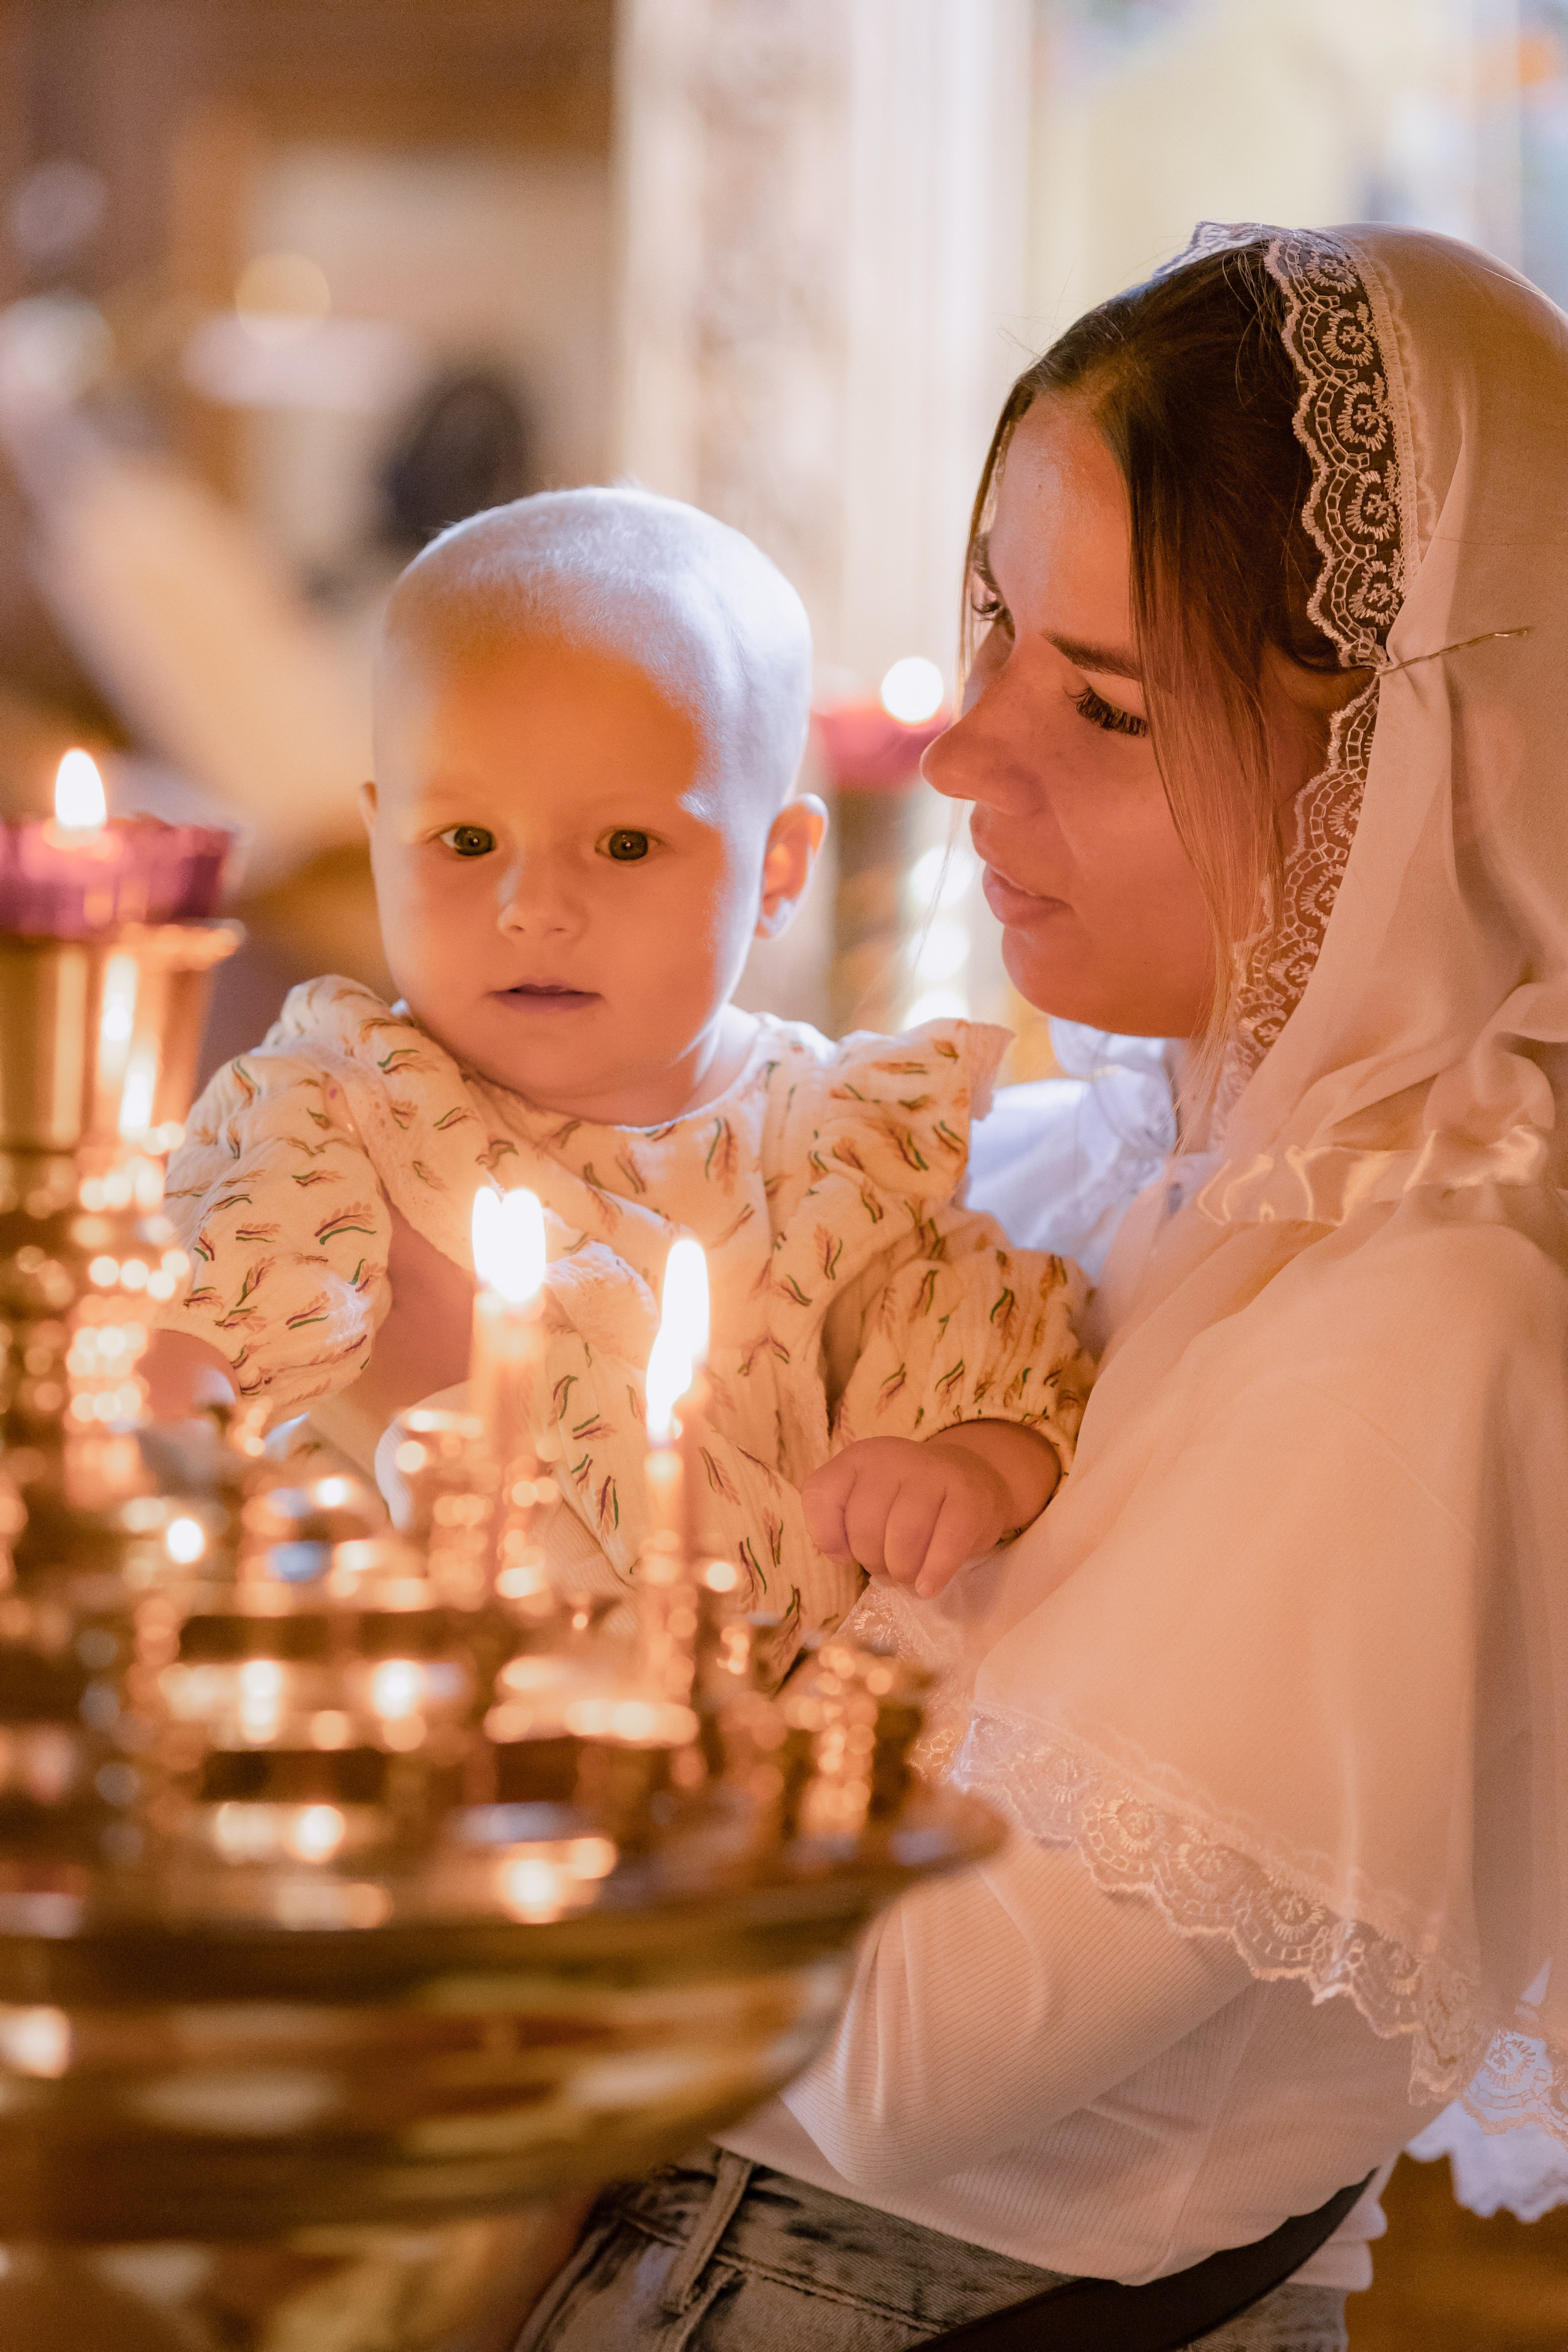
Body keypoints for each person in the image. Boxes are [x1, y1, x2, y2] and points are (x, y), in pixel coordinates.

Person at [511, 224, 1568, 2351]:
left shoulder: (1425, 1338)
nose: (970, 746)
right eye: (992, 624)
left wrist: (525, 1652)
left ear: (1402, 772)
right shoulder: (1081, 1171)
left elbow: (901, 2067)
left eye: (1102, 696)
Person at [146, 488, 1090, 1649]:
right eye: (467, 841)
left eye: (628, 844)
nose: (533, 907)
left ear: (781, 868)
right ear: (383, 834)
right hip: (394, 1699)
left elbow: (990, 1355)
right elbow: (225, 1316)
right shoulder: (346, 1103)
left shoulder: (845, 1141)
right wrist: (160, 1400)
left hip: (718, 1738)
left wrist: (970, 1467)